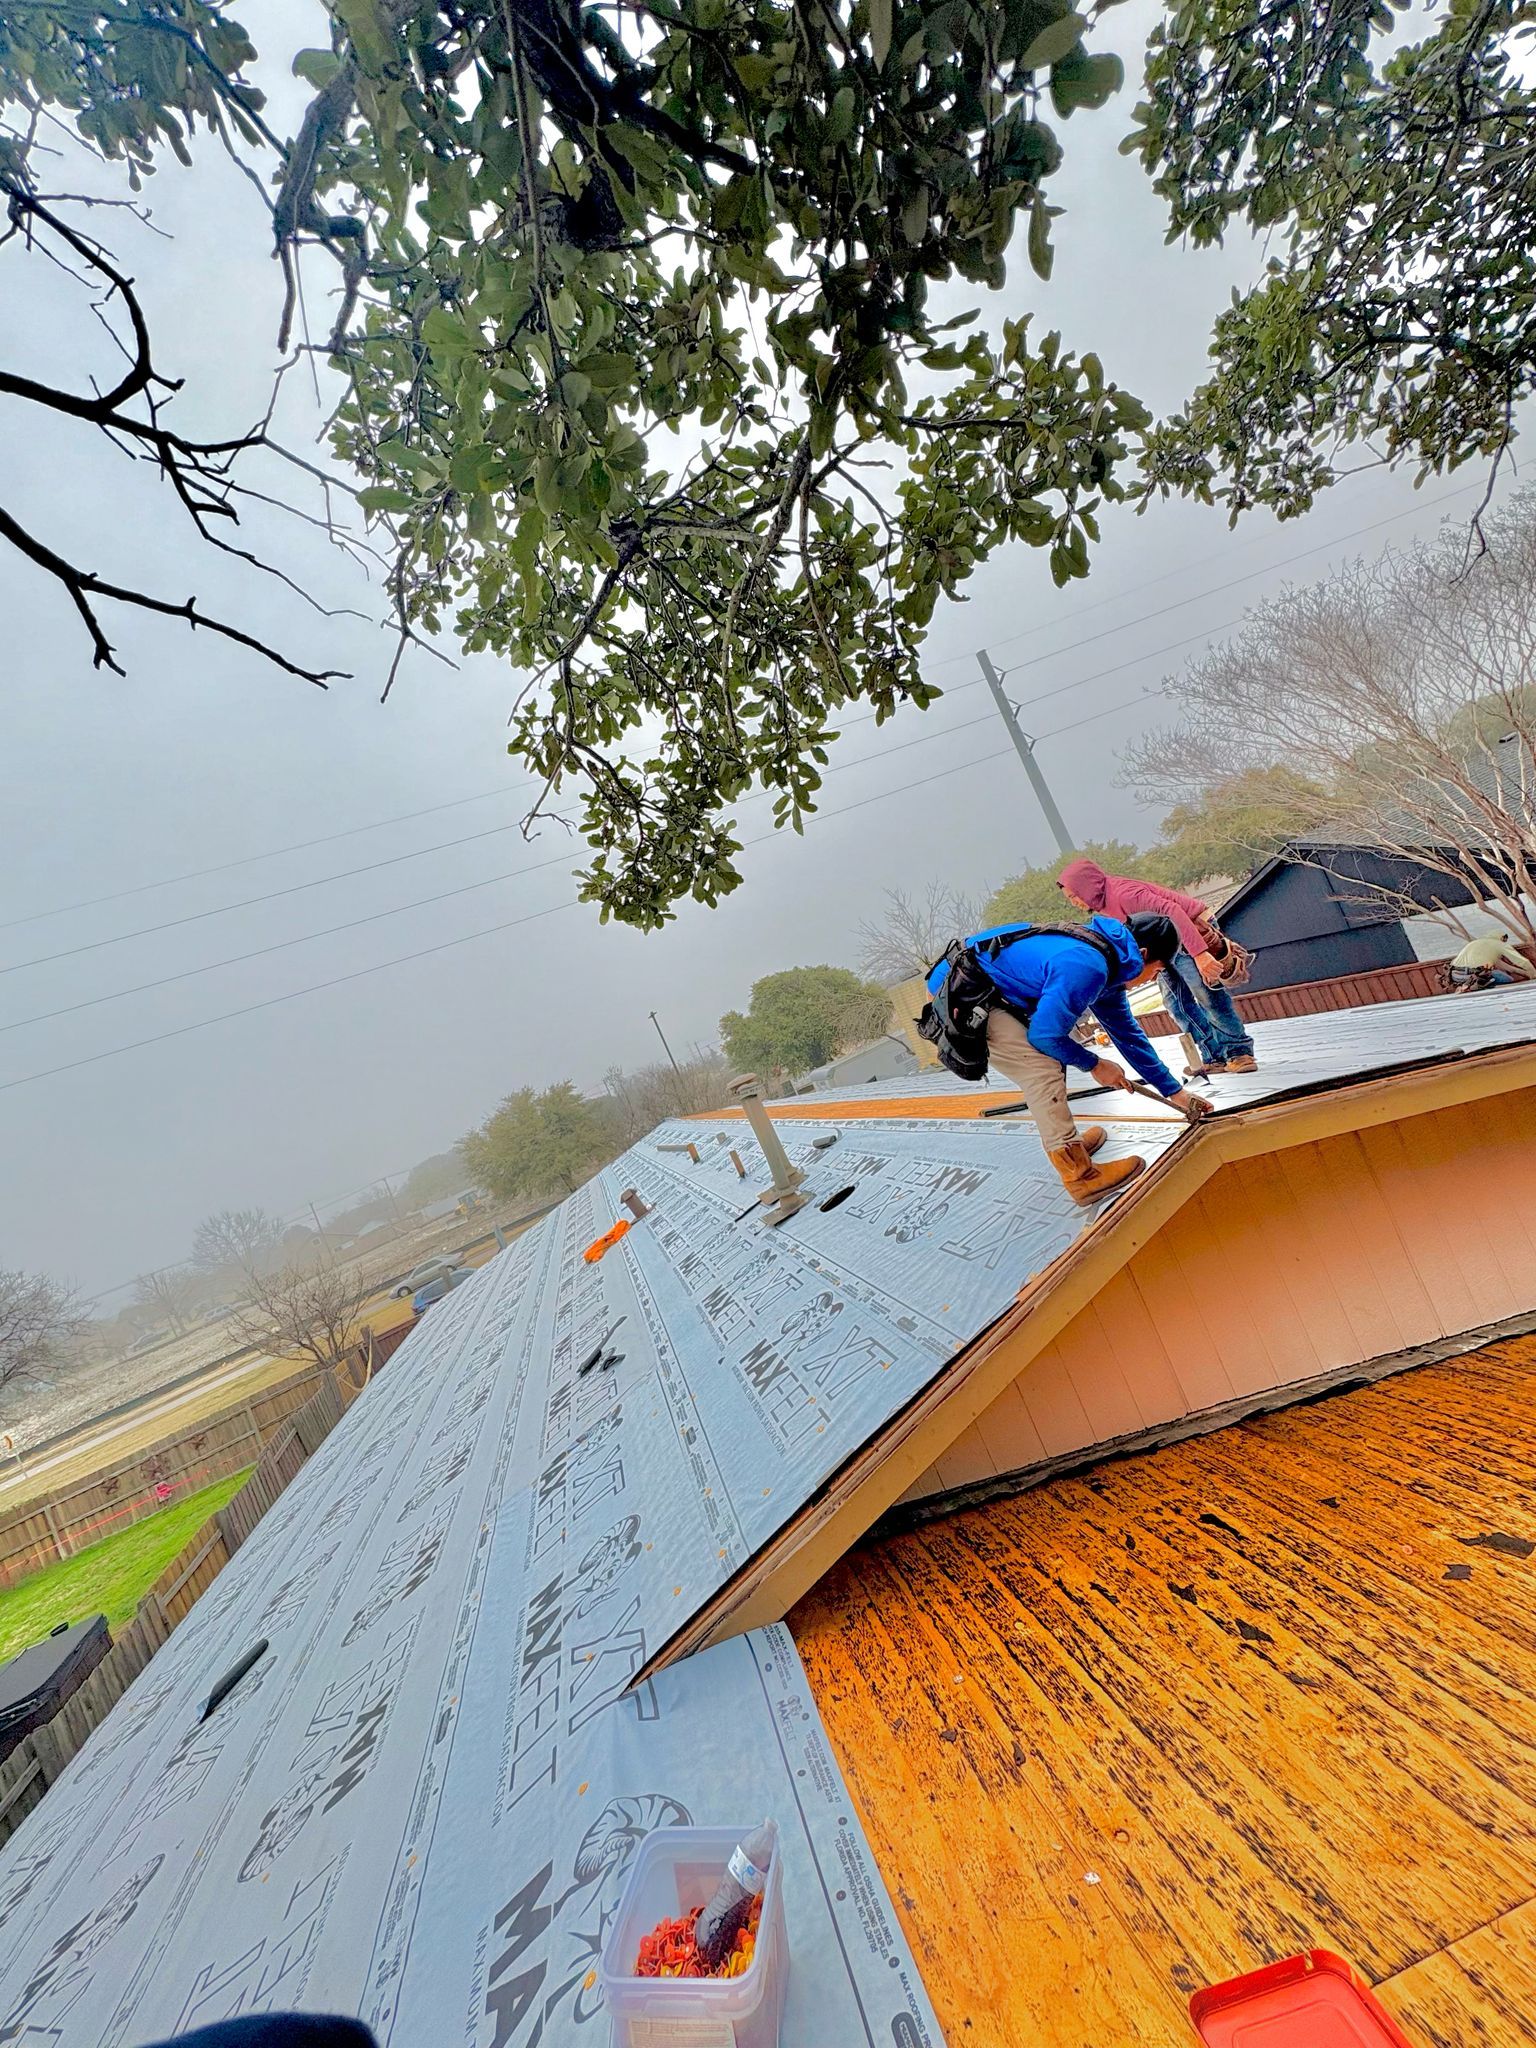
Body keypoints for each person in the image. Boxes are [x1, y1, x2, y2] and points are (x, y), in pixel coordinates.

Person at [926, 910, 1212, 1205]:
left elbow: (1128, 1035)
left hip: (979, 981)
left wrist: (1176, 1093)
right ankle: (1080, 1176)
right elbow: (1045, 1036)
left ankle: (1069, 1145)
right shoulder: (1087, 966)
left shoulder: (1108, 961)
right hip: (961, 993)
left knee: (1053, 1052)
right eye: (1157, 971)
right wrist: (1095, 1064)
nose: (1152, 979)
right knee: (1041, 1067)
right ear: (1142, 954)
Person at [1057, 857, 1257, 1076]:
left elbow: (1172, 911)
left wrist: (1200, 954)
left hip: (1188, 932)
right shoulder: (1104, 907)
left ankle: (1239, 1052)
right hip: (1162, 943)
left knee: (1207, 992)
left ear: (1086, 887)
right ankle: (1214, 1055)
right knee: (1176, 1004)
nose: (1073, 902)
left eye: (1073, 896)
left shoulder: (1125, 894)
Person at [1447, 930, 1533, 990]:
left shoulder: (1475, 943)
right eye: (1505, 939)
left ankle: (1471, 986)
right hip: (1471, 975)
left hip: (1455, 976)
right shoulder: (1498, 944)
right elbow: (1521, 961)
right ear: (1502, 938)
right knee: (1507, 979)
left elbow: (1509, 968)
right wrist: (1533, 973)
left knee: (1493, 974)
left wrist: (1526, 974)